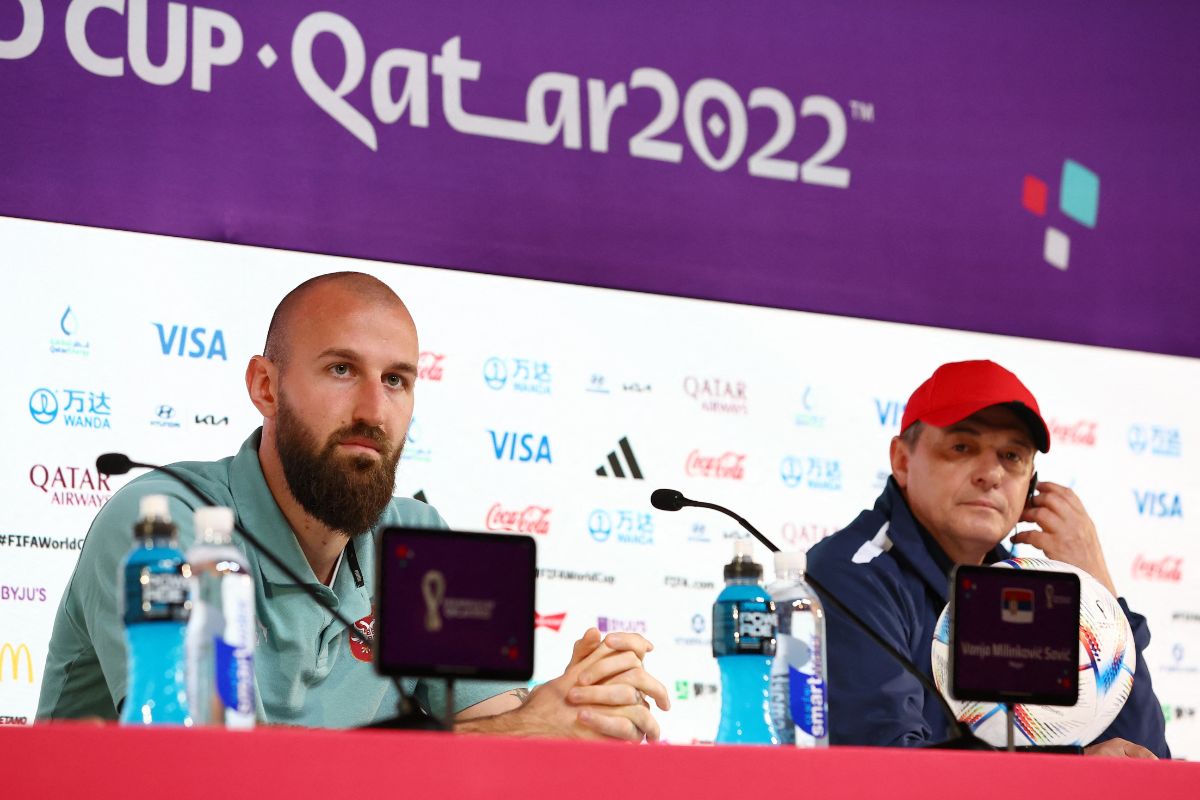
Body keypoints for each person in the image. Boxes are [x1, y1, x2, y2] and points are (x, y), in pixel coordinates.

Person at [37, 271, 669, 739]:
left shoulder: (420, 535)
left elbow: (502, 734)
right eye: (342, 370)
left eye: (396, 380)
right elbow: (209, 766)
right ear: (265, 386)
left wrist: (577, 705)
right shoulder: (162, 526)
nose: (373, 410)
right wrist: (529, 728)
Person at [805, 360, 1169, 758]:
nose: (991, 473)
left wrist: (1099, 588)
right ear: (902, 461)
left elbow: (1144, 759)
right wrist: (1072, 770)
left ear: (1031, 483)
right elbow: (888, 764)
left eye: (1012, 456)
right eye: (962, 446)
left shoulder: (1033, 594)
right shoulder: (850, 575)